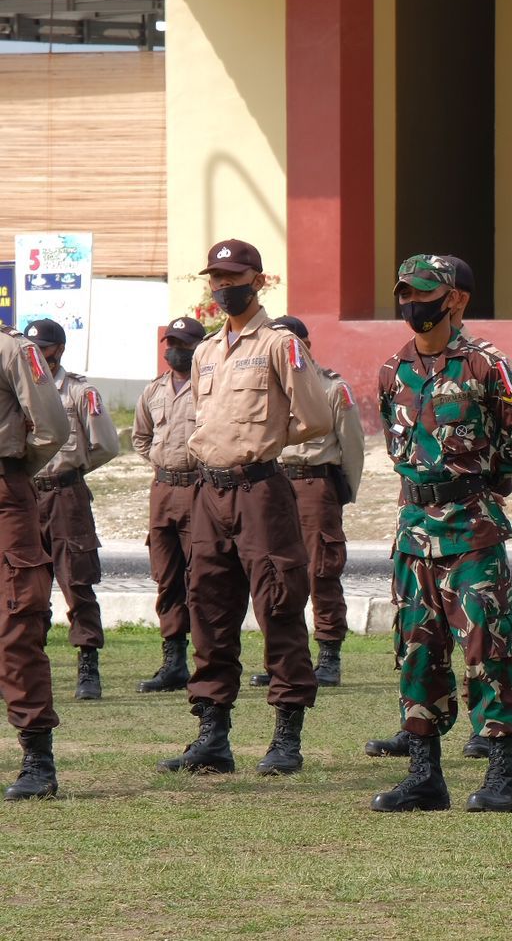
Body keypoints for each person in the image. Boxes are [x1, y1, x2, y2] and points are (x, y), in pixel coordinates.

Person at [371, 254, 512, 813]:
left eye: (423, 293)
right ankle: (425, 776)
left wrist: (488, 478)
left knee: (488, 646)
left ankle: (501, 777)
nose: (411, 304)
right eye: (405, 293)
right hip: (413, 531)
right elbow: (397, 447)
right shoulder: (392, 370)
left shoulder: (483, 367)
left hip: (470, 530)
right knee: (417, 649)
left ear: (453, 300)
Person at [160, 239, 333, 778]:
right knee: (207, 606)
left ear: (260, 281)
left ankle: (286, 738)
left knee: (279, 603)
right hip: (206, 492)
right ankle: (213, 736)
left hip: (260, 488)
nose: (223, 287)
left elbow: (314, 418)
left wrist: (265, 440)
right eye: (216, 278)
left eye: (234, 277)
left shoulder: (281, 344)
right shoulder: (207, 350)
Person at [237, 316, 364, 691]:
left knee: (320, 571)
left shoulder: (331, 387)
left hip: (313, 484)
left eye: (296, 342)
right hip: (271, 482)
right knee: (272, 573)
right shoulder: (259, 385)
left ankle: (328, 657)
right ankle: (283, 659)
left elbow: (352, 446)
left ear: (307, 344)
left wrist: (342, 493)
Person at [24, 319, 120, 701]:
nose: (37, 356)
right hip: (27, 498)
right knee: (26, 587)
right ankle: (27, 666)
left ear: (58, 350)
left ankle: (87, 666)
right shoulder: (19, 388)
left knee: (77, 582)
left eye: (43, 349)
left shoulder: (79, 391)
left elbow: (106, 445)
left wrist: (74, 468)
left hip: (66, 496)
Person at [0, 321, 71, 800]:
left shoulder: (12, 350)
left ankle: (37, 760)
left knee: (16, 624)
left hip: (4, 491)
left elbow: (53, 426)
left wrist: (17, 467)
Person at [131, 316, 208, 693]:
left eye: (184, 343)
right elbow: (141, 438)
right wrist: (165, 464)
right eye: (171, 343)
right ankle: (173, 661)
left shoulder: (211, 387)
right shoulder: (153, 390)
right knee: (167, 577)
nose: (175, 350)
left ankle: (209, 660)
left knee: (204, 577)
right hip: (162, 490)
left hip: (200, 489)